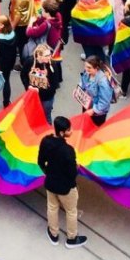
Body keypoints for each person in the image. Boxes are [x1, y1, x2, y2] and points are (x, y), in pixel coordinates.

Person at [37, 116, 88, 248]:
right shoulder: (68, 151)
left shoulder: (45, 142)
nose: (71, 131)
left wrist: (49, 173)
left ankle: (53, 234)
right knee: (71, 211)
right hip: (66, 187)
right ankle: (71, 238)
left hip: (51, 183)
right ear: (62, 133)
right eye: (69, 129)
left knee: (52, 208)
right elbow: (72, 173)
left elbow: (40, 162)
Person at [78, 55, 116, 126]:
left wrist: (93, 110)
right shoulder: (87, 72)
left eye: (89, 67)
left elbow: (104, 102)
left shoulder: (103, 82)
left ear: (97, 68)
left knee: (94, 129)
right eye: (85, 66)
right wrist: (78, 89)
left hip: (98, 113)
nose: (86, 69)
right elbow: (82, 81)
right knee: (86, 125)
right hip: (87, 104)